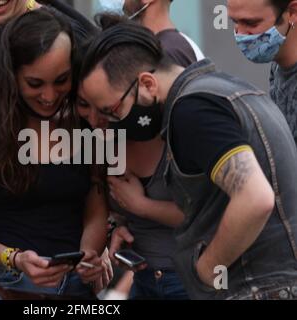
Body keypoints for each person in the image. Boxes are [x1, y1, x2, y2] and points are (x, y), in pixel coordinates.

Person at [78, 19, 297, 300]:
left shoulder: (192, 109)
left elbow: (255, 198)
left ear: (146, 83)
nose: (108, 124)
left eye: (113, 111)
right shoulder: (223, 89)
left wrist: (204, 271)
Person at [0, 8, 108, 300]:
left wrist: (88, 254)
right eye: (34, 84)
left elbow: (96, 213)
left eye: (61, 80)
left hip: (72, 287)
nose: (49, 96)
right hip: (1, 286)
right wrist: (15, 258)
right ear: (11, 76)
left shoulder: (87, 128)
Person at [76, 15, 189, 300]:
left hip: (190, 279)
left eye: (104, 107)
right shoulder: (103, 140)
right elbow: (114, 209)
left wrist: (141, 206)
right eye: (82, 104)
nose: (94, 118)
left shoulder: (176, 120)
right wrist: (119, 225)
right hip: (144, 278)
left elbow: (211, 212)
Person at [228, 0, 297, 145]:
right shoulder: (278, 65)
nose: (240, 34)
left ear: (292, 12)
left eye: (251, 23)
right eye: (235, 22)